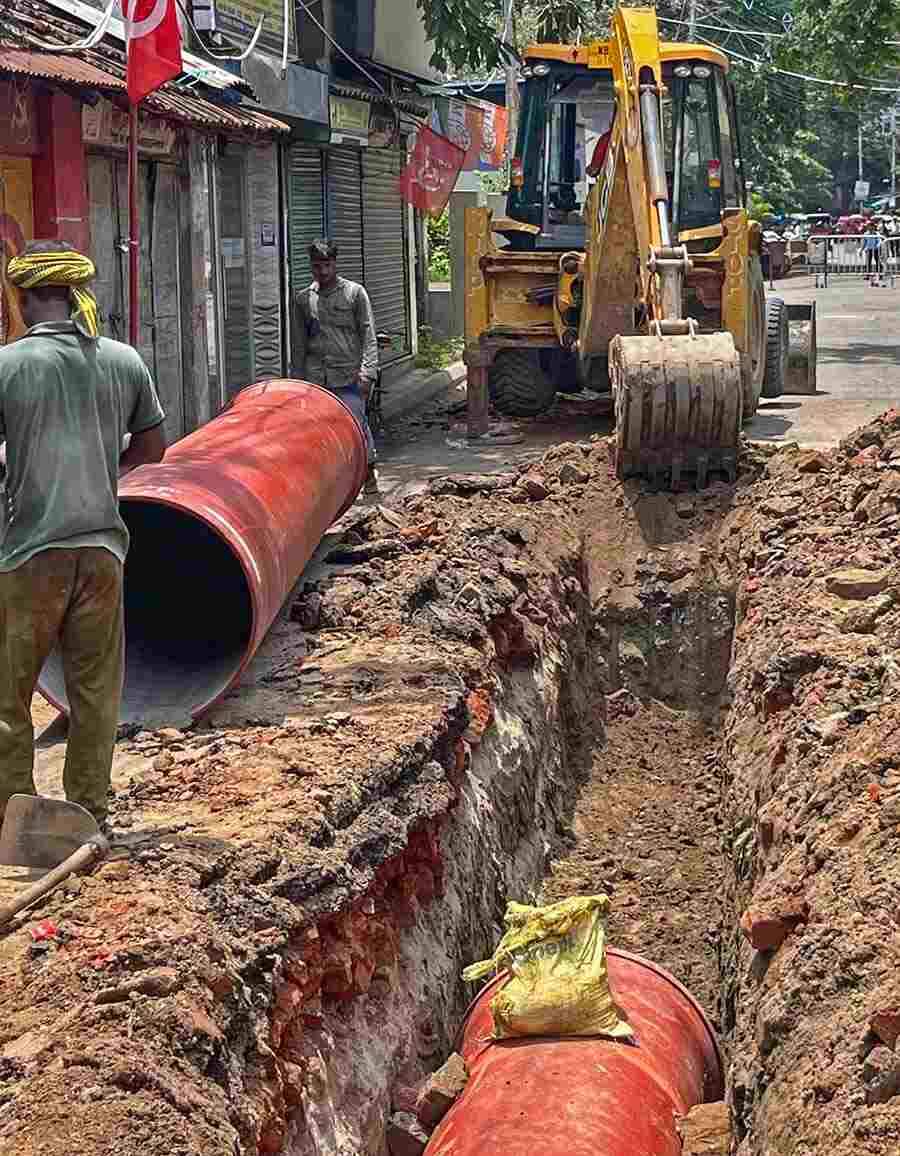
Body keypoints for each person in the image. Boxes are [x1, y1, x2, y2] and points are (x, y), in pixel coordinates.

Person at [0, 240, 166, 830]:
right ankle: (89, 813)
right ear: (74, 295)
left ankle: (15, 819)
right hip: (101, 549)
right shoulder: (121, 360)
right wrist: (102, 474)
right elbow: (152, 448)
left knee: (9, 695)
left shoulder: (8, 366)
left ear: (19, 297)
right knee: (94, 693)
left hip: (29, 553)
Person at [293, 238, 380, 496]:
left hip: (349, 375)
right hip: (316, 378)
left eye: (327, 265)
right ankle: (326, 485)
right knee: (317, 432)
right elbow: (299, 344)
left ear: (335, 264)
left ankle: (368, 474)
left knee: (356, 425)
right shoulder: (303, 299)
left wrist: (368, 373)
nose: (323, 271)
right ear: (311, 266)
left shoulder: (354, 294)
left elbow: (368, 334)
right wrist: (298, 383)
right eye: (317, 266)